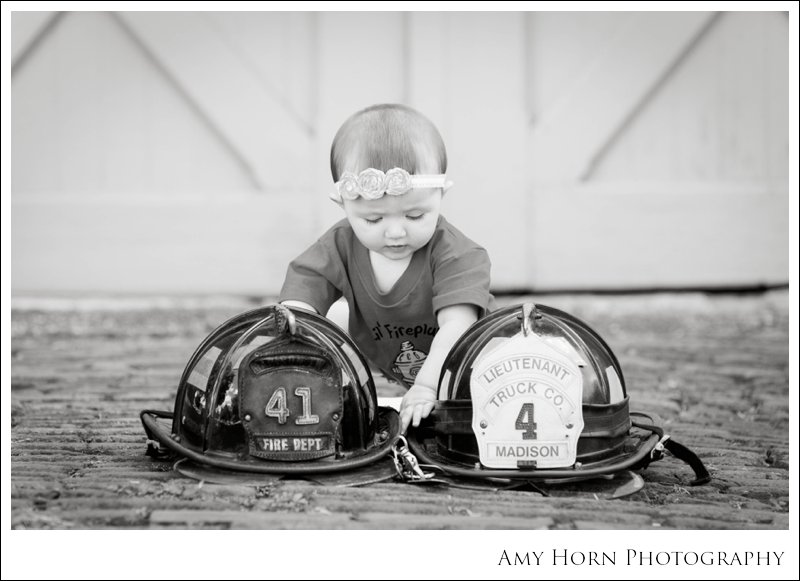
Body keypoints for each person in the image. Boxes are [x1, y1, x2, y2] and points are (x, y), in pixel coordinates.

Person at [279, 104, 493, 432]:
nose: (395, 232)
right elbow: (303, 290)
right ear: (343, 204)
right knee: (325, 320)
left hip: (474, 370)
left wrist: (425, 387)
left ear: (441, 194)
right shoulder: (341, 244)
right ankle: (330, 388)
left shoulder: (458, 255)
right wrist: (294, 337)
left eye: (415, 215)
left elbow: (457, 328)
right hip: (404, 368)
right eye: (374, 219)